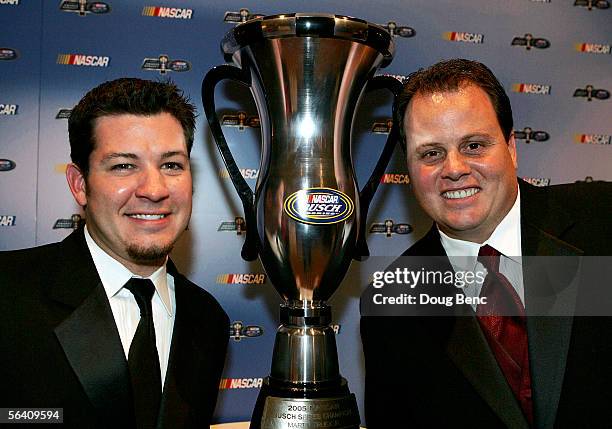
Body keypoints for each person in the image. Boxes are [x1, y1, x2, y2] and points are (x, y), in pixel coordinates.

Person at [360, 59, 612, 428]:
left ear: (511, 148)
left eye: (474, 145)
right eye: (431, 153)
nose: (455, 168)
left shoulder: (601, 222)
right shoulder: (393, 303)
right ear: (409, 170)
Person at [0, 78, 229, 428]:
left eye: (171, 165)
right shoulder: (8, 295)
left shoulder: (208, 320)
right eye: (124, 165)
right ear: (81, 184)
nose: (154, 190)